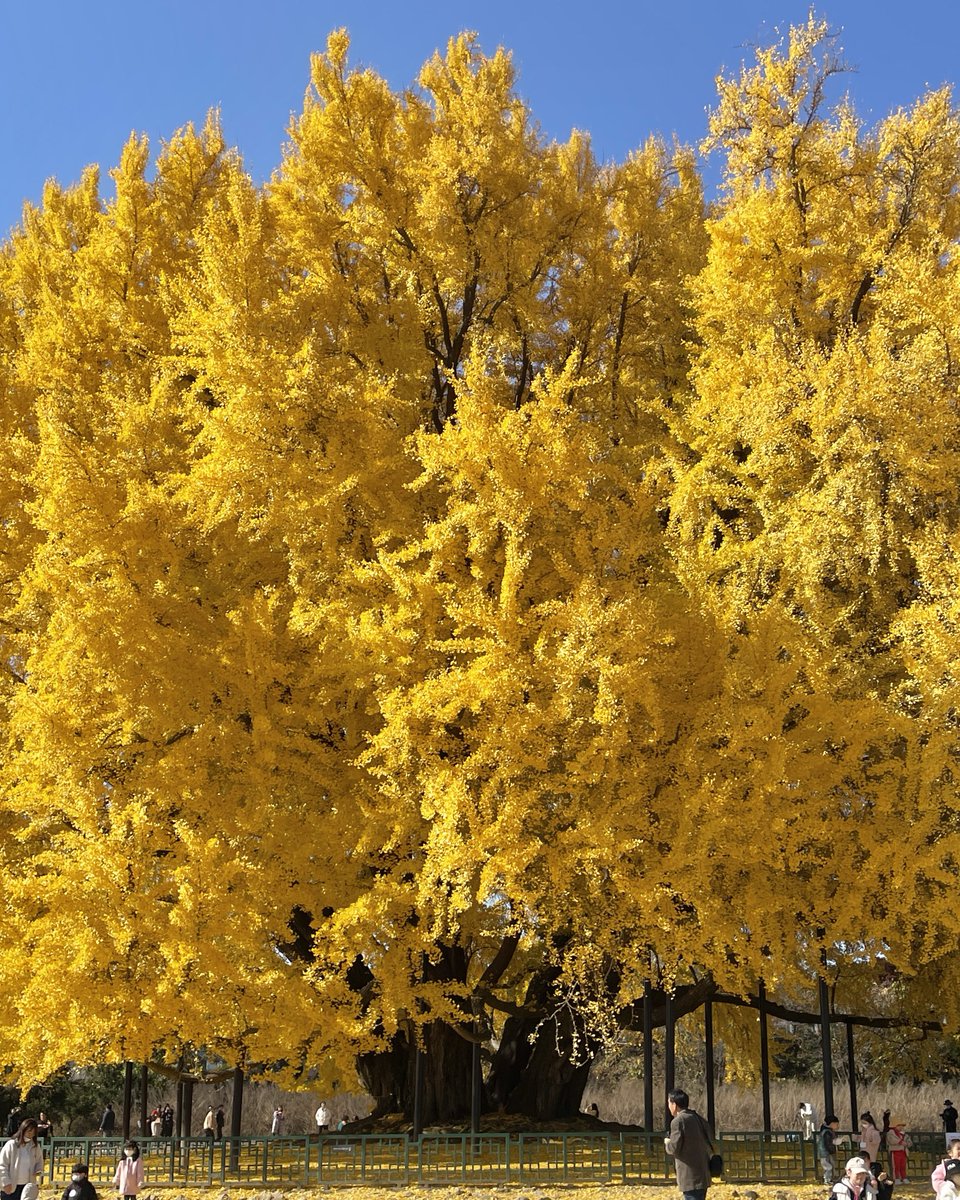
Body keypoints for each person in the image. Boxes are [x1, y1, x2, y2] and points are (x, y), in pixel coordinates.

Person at [663, 1087, 712, 1200]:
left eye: (669, 1103)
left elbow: (674, 1148)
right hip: (703, 1173)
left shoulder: (678, 1121)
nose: (669, 1107)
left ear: (674, 1104)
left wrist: (667, 1143)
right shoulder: (697, 1118)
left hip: (690, 1176)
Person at [0, 1120, 44, 1200]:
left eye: (33, 1133)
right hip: (11, 1186)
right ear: (23, 1130)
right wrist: (5, 1182)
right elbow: (2, 1165)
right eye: (29, 1132)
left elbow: (39, 1161)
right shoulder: (11, 1145)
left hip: (27, 1187)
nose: (31, 1135)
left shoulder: (35, 1147)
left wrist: (38, 1170)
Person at [818, 1115, 842, 1185]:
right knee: (828, 1167)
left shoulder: (827, 1131)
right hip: (825, 1152)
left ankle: (830, 1179)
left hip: (826, 1152)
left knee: (830, 1166)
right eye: (836, 1124)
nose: (837, 1126)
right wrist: (834, 1145)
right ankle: (827, 1180)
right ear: (832, 1124)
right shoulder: (827, 1132)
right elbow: (828, 1143)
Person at [886, 1116, 911, 1183]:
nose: (901, 1127)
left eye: (902, 1125)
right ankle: (896, 1178)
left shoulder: (904, 1134)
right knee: (896, 1166)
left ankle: (904, 1177)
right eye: (899, 1125)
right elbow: (891, 1140)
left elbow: (909, 1142)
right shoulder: (890, 1133)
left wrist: (906, 1143)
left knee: (903, 1166)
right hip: (895, 1151)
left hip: (903, 1152)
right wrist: (900, 1142)